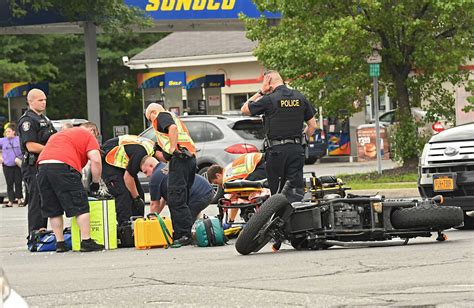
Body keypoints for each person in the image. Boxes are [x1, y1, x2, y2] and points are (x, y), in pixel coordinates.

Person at [241, 70, 317, 202]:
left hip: (276, 152)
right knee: (295, 192)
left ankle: (281, 220)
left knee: (277, 192)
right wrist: (300, 140)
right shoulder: (300, 97)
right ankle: (296, 218)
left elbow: (245, 109)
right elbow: (313, 126)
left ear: (269, 81)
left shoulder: (269, 99)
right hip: (296, 151)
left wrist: (261, 91)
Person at [36, 122, 104, 252]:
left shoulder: (59, 135)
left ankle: (60, 243)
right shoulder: (87, 135)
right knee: (80, 204)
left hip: (42, 167)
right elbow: (95, 159)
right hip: (63, 167)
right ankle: (86, 241)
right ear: (92, 131)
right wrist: (95, 182)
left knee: (53, 208)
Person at [145, 103, 197, 246]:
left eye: (150, 118)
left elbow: (172, 129)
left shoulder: (162, 116)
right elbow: (166, 157)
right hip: (188, 159)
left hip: (180, 159)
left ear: (153, 112)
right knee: (182, 197)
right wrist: (157, 151)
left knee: (175, 198)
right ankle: (184, 232)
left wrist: (173, 149)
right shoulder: (173, 119)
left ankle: (183, 235)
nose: (152, 122)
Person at [18, 88, 57, 236]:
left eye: (45, 99)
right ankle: (35, 233)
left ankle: (43, 231)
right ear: (30, 101)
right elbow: (31, 145)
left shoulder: (45, 120)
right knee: (36, 198)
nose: (44, 102)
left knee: (44, 198)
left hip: (44, 165)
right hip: (32, 165)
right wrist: (51, 149)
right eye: (40, 100)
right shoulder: (27, 120)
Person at [101, 134, 158, 225]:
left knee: (139, 193)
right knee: (124, 195)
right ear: (150, 165)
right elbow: (128, 178)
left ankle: (138, 226)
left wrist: (138, 197)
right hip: (109, 161)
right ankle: (125, 229)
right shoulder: (141, 154)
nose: (147, 175)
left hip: (122, 163)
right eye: (146, 172)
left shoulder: (151, 149)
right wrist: (136, 198)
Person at [141, 156, 213, 220]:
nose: (146, 175)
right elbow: (163, 200)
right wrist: (155, 216)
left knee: (183, 222)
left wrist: (150, 221)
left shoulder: (155, 178)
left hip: (197, 196)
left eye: (146, 172)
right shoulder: (166, 166)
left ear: (151, 166)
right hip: (205, 190)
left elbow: (154, 204)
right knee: (188, 219)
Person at [206, 152, 266, 224]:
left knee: (245, 195)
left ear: (218, 175)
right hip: (261, 161)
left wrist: (230, 222)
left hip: (260, 164)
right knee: (247, 191)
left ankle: (256, 220)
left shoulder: (227, 178)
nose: (219, 185)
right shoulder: (228, 170)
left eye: (216, 182)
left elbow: (236, 200)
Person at [0, 124, 24, 207]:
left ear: (14, 132)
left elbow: (24, 148)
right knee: (9, 183)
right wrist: (0, 157)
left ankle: (19, 199)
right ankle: (10, 201)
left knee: (18, 182)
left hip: (17, 164)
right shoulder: (2, 141)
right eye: (6, 132)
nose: (7, 133)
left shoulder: (18, 139)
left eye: (9, 131)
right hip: (7, 165)